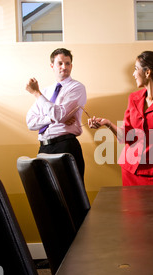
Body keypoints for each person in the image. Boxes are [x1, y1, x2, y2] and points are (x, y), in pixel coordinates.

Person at [88, 51, 153, 186]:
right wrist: (107, 123)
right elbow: (126, 136)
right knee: (131, 207)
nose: (133, 74)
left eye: (136, 69)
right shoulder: (133, 98)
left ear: (147, 72)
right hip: (129, 169)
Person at [26, 48, 87, 181]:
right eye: (60, 63)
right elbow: (30, 122)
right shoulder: (46, 92)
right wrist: (51, 119)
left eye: (67, 63)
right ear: (52, 66)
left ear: (71, 65)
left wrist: (36, 93)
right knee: (46, 196)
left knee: (71, 195)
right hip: (44, 148)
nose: (64, 67)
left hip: (65, 146)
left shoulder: (76, 88)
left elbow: (60, 115)